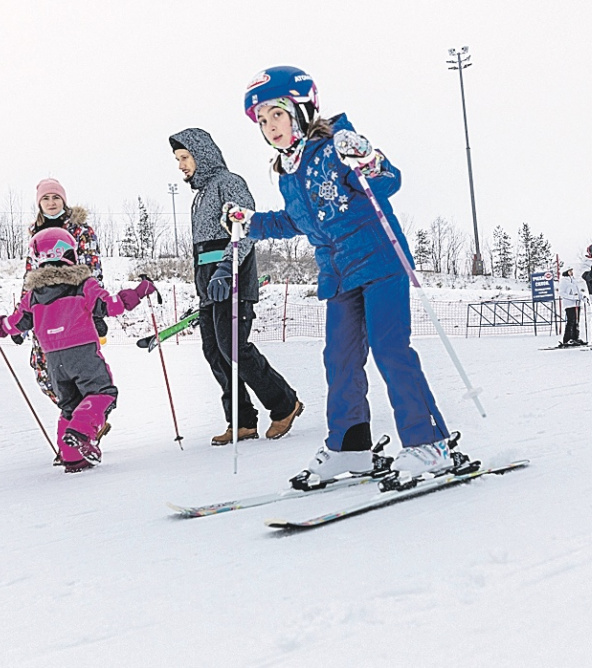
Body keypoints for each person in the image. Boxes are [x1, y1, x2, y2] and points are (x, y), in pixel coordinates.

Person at [224, 65, 460, 488]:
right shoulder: (288, 170)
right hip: (338, 274)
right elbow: (296, 221)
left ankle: (428, 444)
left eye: (276, 114)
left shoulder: (337, 146)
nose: (269, 126)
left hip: (379, 261)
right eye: (261, 120)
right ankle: (350, 444)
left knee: (391, 350)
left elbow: (389, 181)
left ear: (300, 108)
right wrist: (252, 221)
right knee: (339, 360)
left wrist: (369, 160)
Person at [0, 227, 156, 473]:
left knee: (69, 405)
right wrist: (139, 291)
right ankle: (81, 432)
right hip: (81, 351)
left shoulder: (33, 296)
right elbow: (111, 305)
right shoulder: (83, 284)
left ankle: (72, 457)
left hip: (53, 360)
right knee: (102, 392)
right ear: (70, 254)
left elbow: (15, 324)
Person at [168, 128, 302, 446]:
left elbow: (246, 228)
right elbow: (204, 249)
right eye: (177, 159)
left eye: (185, 157)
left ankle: (284, 403)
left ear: (202, 155)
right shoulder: (199, 196)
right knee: (214, 351)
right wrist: (204, 281)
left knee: (234, 348)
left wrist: (227, 267)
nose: (181, 165)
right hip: (208, 285)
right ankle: (241, 420)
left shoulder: (228, 183)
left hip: (232, 280)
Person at [24, 178, 106, 405]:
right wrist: (22, 314)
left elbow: (93, 269)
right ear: (39, 204)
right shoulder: (35, 233)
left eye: (56, 197)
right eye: (46, 199)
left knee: (79, 365)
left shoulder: (81, 231)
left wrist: (96, 309)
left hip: (73, 306)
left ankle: (87, 418)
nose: (51, 203)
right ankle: (76, 414)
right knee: (44, 371)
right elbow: (29, 275)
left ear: (64, 201)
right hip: (44, 308)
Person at [558, 267, 587, 347]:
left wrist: (582, 297)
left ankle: (575, 338)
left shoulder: (574, 280)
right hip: (569, 304)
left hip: (577, 304)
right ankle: (567, 339)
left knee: (576, 322)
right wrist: (572, 297)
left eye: (571, 271)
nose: (571, 272)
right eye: (570, 271)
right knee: (571, 321)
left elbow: (578, 292)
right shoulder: (564, 281)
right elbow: (561, 293)